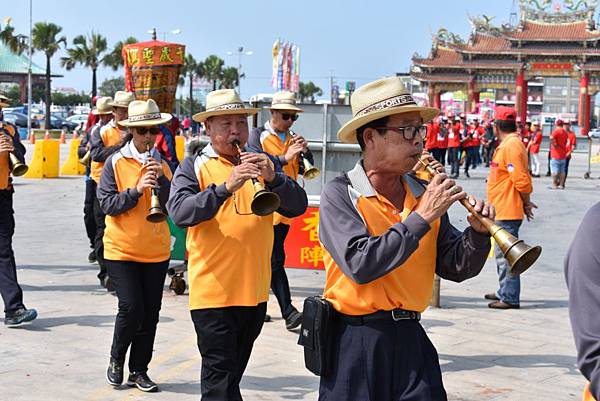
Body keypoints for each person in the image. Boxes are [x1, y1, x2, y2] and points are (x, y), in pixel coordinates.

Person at [318, 77, 493, 401]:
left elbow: (454, 265)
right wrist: (421, 217)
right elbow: (360, 263)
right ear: (371, 136)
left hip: (411, 338)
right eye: (408, 130)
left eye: (420, 130)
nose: (419, 142)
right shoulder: (340, 193)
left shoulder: (422, 193)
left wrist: (478, 235)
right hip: (355, 341)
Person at [167, 89, 307, 400]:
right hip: (214, 295)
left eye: (241, 123)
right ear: (208, 129)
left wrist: (275, 179)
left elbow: (296, 207)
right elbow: (180, 211)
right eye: (226, 124)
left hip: (254, 294)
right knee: (219, 384)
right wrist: (225, 187)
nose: (235, 131)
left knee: (230, 381)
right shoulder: (195, 166)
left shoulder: (263, 162)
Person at [98, 99, 173, 393]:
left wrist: (161, 181)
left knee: (150, 313)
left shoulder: (162, 163)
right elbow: (107, 204)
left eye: (153, 130)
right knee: (131, 308)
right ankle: (117, 356)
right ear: (131, 132)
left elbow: (174, 203)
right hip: (122, 249)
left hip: (155, 250)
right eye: (143, 131)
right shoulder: (115, 162)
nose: (149, 137)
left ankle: (139, 369)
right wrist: (136, 190)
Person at [247, 91, 310, 330]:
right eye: (285, 116)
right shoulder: (258, 135)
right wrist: (285, 157)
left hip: (285, 209)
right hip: (264, 206)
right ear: (272, 113)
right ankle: (288, 311)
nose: (290, 121)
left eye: (293, 117)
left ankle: (256, 304)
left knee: (265, 260)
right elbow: (255, 158)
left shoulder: (291, 137)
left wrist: (303, 152)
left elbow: (302, 168)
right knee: (274, 260)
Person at [485, 106, 536, 309]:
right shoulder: (509, 144)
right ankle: (503, 290)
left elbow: (521, 181)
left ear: (496, 127)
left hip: (507, 210)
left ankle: (509, 297)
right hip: (502, 208)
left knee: (506, 256)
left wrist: (526, 202)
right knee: (501, 255)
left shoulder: (511, 146)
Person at [90, 91, 134, 289]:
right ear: (114, 111)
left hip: (129, 185)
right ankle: (105, 273)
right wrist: (121, 144)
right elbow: (97, 154)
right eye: (121, 111)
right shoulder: (101, 131)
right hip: (102, 184)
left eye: (128, 111)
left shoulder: (137, 131)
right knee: (102, 229)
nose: (124, 114)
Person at [0, 93, 37, 326]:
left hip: (3, 195)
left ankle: (14, 308)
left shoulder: (9, 130)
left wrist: (12, 148)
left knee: (4, 251)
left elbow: (21, 159)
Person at [565, 203, 600, 401]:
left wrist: (478, 237)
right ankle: (508, 295)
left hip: (510, 207)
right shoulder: (596, 225)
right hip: (507, 206)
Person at [79, 96, 113, 264]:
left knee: (103, 219)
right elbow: (81, 150)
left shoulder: (115, 131)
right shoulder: (93, 130)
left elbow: (99, 154)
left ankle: (102, 250)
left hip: (109, 177)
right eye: (101, 115)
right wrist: (85, 149)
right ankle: (94, 244)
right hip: (91, 176)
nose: (103, 118)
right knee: (88, 214)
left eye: (106, 115)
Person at [549, 119, 569, 189]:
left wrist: (554, 144)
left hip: (555, 154)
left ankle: (554, 184)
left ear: (556, 124)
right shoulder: (565, 132)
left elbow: (551, 138)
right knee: (562, 171)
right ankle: (561, 184)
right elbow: (566, 142)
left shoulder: (556, 131)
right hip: (563, 154)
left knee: (555, 170)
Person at [564, 120, 577, 185]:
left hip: (567, 154)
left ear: (570, 125)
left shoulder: (572, 134)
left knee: (565, 168)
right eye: (564, 124)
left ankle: (562, 182)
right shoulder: (560, 132)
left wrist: (570, 152)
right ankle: (557, 181)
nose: (566, 126)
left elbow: (573, 145)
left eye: (567, 124)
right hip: (559, 154)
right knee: (557, 169)